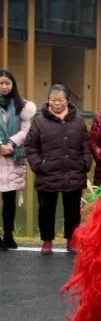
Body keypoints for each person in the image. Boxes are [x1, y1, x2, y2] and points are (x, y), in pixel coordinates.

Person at [24, 84, 91, 254]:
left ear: (67, 101)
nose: (56, 104)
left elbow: (86, 145)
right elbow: (31, 146)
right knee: (46, 209)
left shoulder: (78, 121)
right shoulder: (39, 121)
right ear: (48, 101)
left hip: (74, 171)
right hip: (47, 172)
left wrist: (85, 163)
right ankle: (47, 241)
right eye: (53, 100)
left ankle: (71, 240)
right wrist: (39, 165)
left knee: (73, 211)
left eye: (60, 100)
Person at [0, 69, 36, 249]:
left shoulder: (22, 106)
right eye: (1, 83)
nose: (4, 87)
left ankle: (8, 235)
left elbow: (26, 130)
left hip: (13, 157)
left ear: (13, 85)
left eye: (7, 83)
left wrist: (11, 145)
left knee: (9, 199)